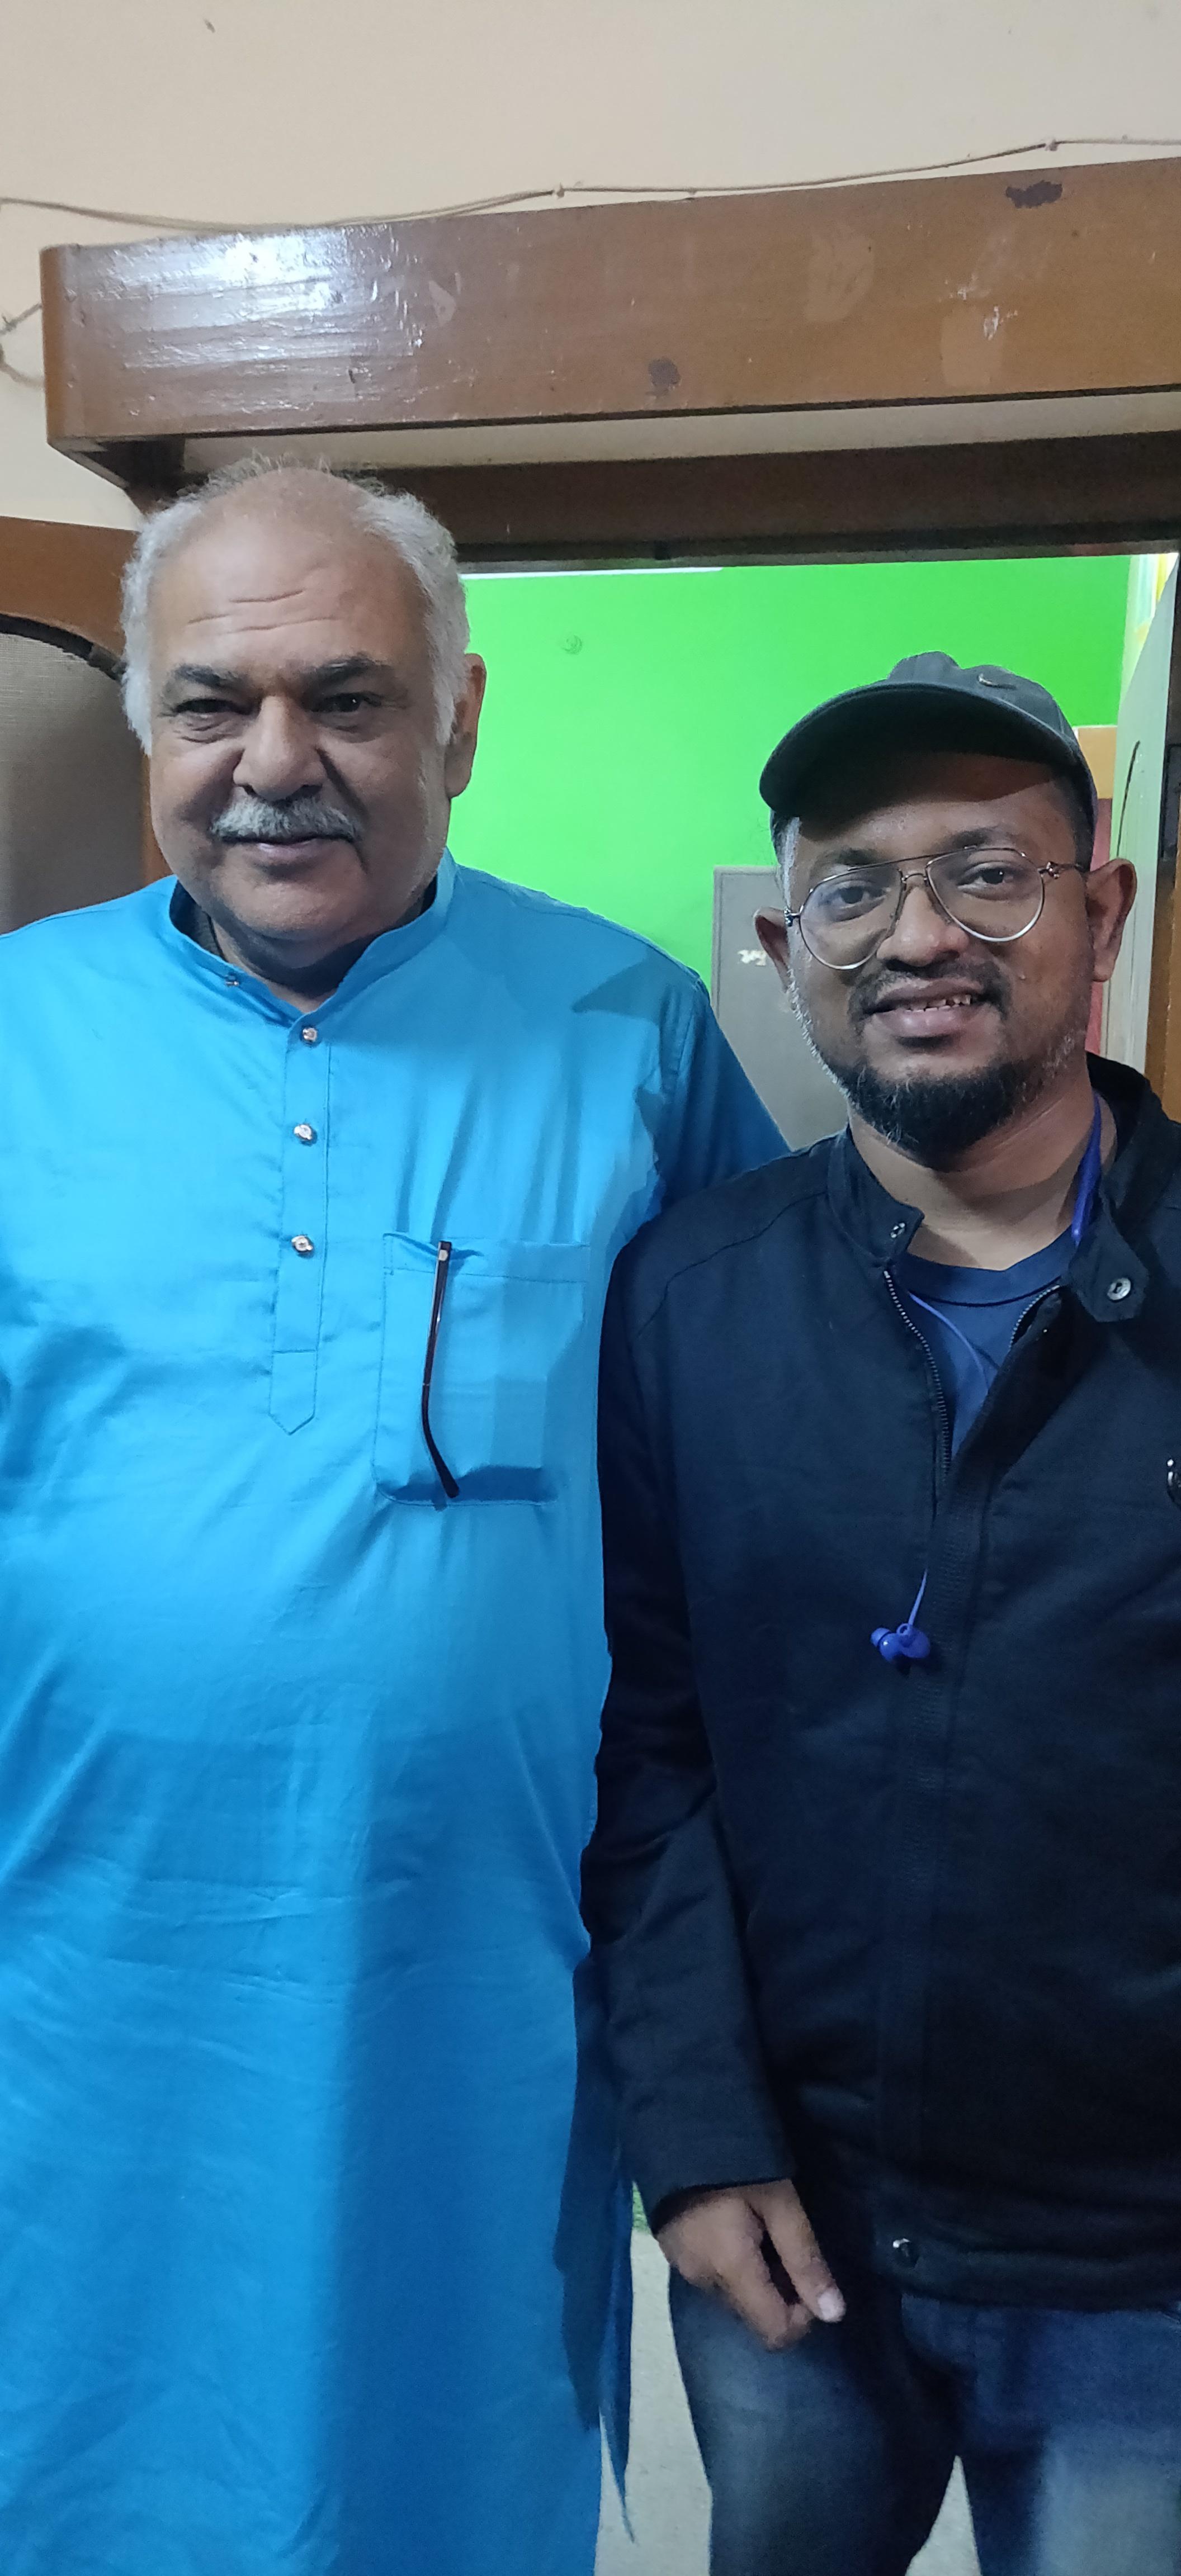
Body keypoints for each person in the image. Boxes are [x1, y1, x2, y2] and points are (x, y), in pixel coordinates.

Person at [0, 458, 781, 2576]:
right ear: (148, 727)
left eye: (346, 699)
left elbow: (750, 1480)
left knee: (437, 2472)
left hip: (478, 1982)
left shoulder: (627, 1030)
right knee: (79, 2465)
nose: (276, 764)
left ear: (460, 717)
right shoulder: (16, 1035)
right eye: (211, 704)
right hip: (76, 1975)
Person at [583, 651, 1181, 2576]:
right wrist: (692, 2132)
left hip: (1141, 2279)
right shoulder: (690, 1300)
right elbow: (649, 1750)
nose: (917, 937)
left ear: (1103, 911)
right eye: (852, 887)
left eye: (987, 873)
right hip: (794, 2232)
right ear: (786, 946)